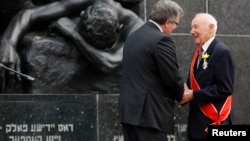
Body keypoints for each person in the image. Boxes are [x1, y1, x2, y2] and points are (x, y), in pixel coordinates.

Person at [0, 0, 144, 91]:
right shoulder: (90, 1)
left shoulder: (137, 27)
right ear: (82, 13)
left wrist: (73, 33)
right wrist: (8, 42)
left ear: (119, 28)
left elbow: (109, 63)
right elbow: (30, 14)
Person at [118, 0, 185, 141]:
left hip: (130, 114)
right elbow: (171, 77)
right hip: (149, 116)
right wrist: (182, 93)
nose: (174, 29)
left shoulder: (132, 37)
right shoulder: (162, 40)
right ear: (167, 22)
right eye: (176, 24)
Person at [180, 13, 235, 141]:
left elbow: (225, 88)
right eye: (191, 27)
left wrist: (193, 95)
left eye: (196, 27)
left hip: (215, 122)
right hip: (197, 125)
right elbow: (195, 84)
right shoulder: (199, 52)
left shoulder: (222, 52)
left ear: (211, 28)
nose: (191, 31)